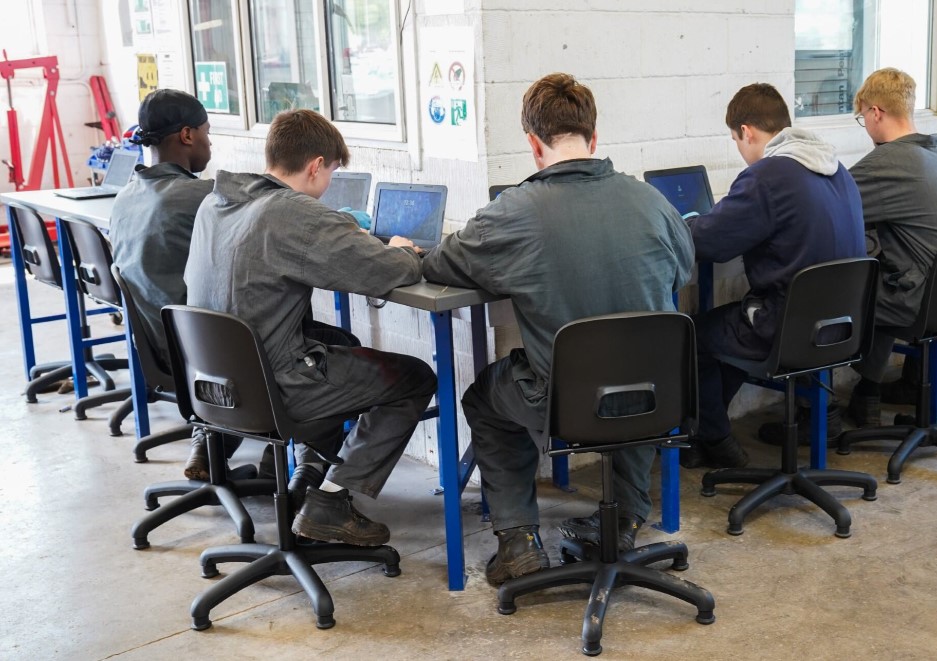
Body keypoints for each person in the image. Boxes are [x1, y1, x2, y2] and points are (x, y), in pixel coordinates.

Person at [422, 73, 694, 585]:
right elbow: (683, 271)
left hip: (568, 408)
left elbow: (442, 264)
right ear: (594, 137)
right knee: (632, 371)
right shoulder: (654, 203)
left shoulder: (515, 212)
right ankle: (627, 518)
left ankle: (519, 541)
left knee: (485, 397)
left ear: (532, 144)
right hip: (661, 398)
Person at [184, 109, 438, 546]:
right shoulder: (292, 213)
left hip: (216, 386)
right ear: (316, 165)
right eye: (333, 172)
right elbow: (380, 272)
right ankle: (331, 503)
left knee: (343, 345)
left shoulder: (218, 201)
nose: (329, 184)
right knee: (414, 377)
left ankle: (306, 468)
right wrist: (403, 251)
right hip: (275, 387)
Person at [684, 82, 866, 467]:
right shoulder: (836, 169)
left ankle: (714, 438)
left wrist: (682, 224)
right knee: (727, 330)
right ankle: (707, 434)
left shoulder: (768, 175)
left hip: (787, 331)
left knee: (694, 337)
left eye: (736, 140)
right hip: (843, 327)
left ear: (746, 132)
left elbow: (711, 244)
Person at [109, 89, 243, 481]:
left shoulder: (125, 197)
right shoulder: (199, 196)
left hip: (160, 350)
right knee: (308, 340)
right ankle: (286, 474)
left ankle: (208, 443)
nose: (209, 142)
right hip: (203, 354)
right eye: (206, 132)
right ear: (187, 136)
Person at [844, 68, 937, 427]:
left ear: (876, 113)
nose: (866, 126)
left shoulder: (888, 161)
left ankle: (818, 410)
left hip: (926, 304)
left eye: (863, 118)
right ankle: (867, 397)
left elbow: (829, 205)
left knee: (843, 289)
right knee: (888, 270)